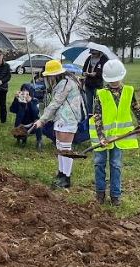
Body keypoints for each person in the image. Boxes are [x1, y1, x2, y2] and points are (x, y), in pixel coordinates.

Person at [89, 59, 140, 206]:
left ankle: (115, 196)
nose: (114, 82)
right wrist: (101, 137)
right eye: (111, 80)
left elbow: (136, 107)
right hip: (102, 135)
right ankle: (100, 194)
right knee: (99, 163)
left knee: (115, 164)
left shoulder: (129, 91)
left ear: (122, 76)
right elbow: (97, 116)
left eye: (116, 79)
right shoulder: (100, 94)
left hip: (120, 137)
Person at [34, 60, 85, 189]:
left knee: (66, 149)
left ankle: (66, 178)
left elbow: (55, 103)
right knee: (60, 147)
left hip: (68, 119)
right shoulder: (62, 83)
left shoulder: (65, 85)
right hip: (61, 118)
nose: (47, 79)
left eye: (48, 76)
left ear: (54, 75)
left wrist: (42, 120)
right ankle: (61, 174)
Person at [10, 84, 43, 151]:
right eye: (23, 90)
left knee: (37, 122)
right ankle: (21, 139)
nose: (24, 92)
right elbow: (12, 110)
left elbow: (36, 114)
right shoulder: (19, 100)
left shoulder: (35, 100)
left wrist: (29, 102)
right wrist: (16, 100)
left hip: (32, 124)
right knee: (19, 125)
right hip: (22, 124)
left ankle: (39, 141)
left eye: (26, 91)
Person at [82, 49, 108, 114]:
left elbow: (105, 71)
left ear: (99, 52)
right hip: (88, 84)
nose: (93, 55)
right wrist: (84, 73)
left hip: (98, 85)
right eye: (92, 53)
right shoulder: (89, 58)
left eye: (94, 54)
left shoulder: (104, 59)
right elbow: (84, 69)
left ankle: (98, 118)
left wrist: (96, 74)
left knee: (98, 103)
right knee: (89, 104)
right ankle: (89, 118)